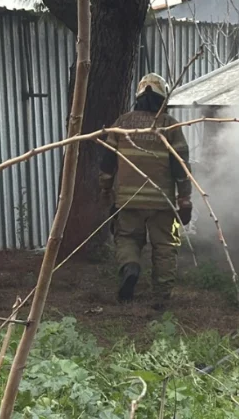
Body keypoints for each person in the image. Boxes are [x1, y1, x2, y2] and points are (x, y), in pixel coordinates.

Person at [99, 73, 193, 308]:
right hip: (162, 202)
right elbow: (181, 165)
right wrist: (185, 198)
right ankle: (161, 297)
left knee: (128, 238)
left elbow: (107, 162)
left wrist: (106, 189)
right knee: (165, 246)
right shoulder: (169, 125)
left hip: (128, 200)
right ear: (163, 98)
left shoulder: (121, 123)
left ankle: (130, 267)